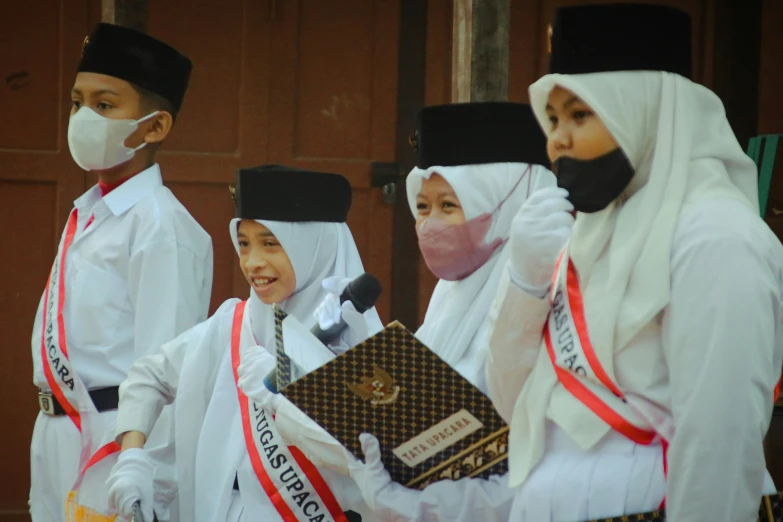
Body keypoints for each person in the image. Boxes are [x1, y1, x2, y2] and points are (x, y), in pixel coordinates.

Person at [485, 4, 783, 522]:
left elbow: (721, 435)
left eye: (581, 115)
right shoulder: (584, 232)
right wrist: (525, 284)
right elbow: (512, 405)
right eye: (552, 119)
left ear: (647, 113)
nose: (556, 140)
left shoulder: (715, 235)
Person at [274, 102, 556, 521]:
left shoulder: (547, 287)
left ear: (507, 205)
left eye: (449, 205)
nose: (430, 225)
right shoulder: (453, 292)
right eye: (422, 208)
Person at [107, 165, 384, 522]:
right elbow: (148, 376)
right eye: (244, 243)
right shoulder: (233, 323)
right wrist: (132, 459)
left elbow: (375, 455)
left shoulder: (363, 342)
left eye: (270, 243)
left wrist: (290, 394)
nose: (252, 262)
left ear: (316, 247)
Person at [29, 22, 213, 522]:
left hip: (115, 439)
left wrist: (147, 474)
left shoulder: (161, 226)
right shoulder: (90, 210)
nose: (84, 117)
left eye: (105, 105)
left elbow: (167, 369)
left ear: (153, 127)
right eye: (77, 102)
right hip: (57, 430)